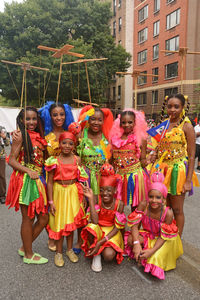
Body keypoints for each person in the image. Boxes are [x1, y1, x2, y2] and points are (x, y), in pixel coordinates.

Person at [151, 94, 199, 236]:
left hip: (178, 172)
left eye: (176, 107)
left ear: (182, 107)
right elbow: (157, 147)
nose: (172, 110)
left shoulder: (187, 126)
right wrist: (153, 154)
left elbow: (191, 156)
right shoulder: (163, 124)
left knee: (177, 209)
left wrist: (188, 181)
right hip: (162, 172)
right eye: (169, 106)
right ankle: (165, 235)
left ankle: (177, 240)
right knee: (165, 207)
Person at [6, 107, 49, 264]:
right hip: (26, 180)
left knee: (44, 218)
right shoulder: (20, 136)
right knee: (28, 218)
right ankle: (29, 255)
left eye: (34, 119)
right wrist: (28, 171)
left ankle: (25, 247)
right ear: (22, 120)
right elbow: (11, 160)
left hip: (38, 180)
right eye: (28, 119)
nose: (31, 122)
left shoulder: (39, 136)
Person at [125, 172, 183, 280]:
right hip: (148, 234)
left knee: (154, 259)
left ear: (164, 200)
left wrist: (152, 251)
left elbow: (163, 236)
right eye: (151, 197)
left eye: (158, 197)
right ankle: (141, 250)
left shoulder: (168, 213)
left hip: (163, 239)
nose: (154, 200)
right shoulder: (143, 205)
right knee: (130, 240)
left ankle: (147, 253)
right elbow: (134, 225)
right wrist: (136, 243)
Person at [45, 131, 88, 267]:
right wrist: (51, 201)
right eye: (64, 143)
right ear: (60, 144)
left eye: (70, 143)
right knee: (60, 223)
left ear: (74, 146)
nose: (67, 146)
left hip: (73, 193)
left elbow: (81, 179)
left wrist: (84, 197)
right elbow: (50, 182)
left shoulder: (77, 159)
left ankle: (69, 250)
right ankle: (58, 252)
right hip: (59, 193)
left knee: (71, 223)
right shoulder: (54, 161)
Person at [39, 101, 74, 251]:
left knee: (67, 208)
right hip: (50, 176)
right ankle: (52, 236)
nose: (58, 117)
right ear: (49, 116)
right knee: (51, 207)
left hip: (68, 175)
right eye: (55, 114)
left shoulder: (71, 131)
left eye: (62, 114)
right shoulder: (45, 133)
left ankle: (67, 238)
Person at [81, 163, 126, 272]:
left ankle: (101, 249)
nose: (105, 193)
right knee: (91, 226)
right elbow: (95, 221)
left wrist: (101, 242)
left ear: (114, 190)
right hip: (98, 229)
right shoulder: (97, 199)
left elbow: (117, 228)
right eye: (102, 190)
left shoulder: (119, 204)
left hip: (111, 232)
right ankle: (96, 254)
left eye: (108, 190)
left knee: (109, 256)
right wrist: (91, 200)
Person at [109, 109, 149, 209]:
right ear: (119, 123)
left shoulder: (141, 138)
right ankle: (118, 224)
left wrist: (150, 159)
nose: (127, 125)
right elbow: (112, 161)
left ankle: (134, 225)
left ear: (135, 122)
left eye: (130, 122)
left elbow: (143, 161)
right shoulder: (114, 138)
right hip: (120, 177)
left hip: (135, 177)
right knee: (118, 206)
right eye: (124, 122)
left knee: (135, 207)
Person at [77, 105, 113, 202]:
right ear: (88, 120)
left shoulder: (107, 136)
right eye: (93, 119)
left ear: (103, 121)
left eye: (99, 120)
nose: (96, 123)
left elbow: (112, 160)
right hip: (85, 180)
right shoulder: (80, 135)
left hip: (103, 180)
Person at [0, 126, 10, 204]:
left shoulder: (2, 129)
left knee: (1, 175)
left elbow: (7, 143)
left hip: (1, 156)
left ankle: (2, 195)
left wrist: (4, 137)